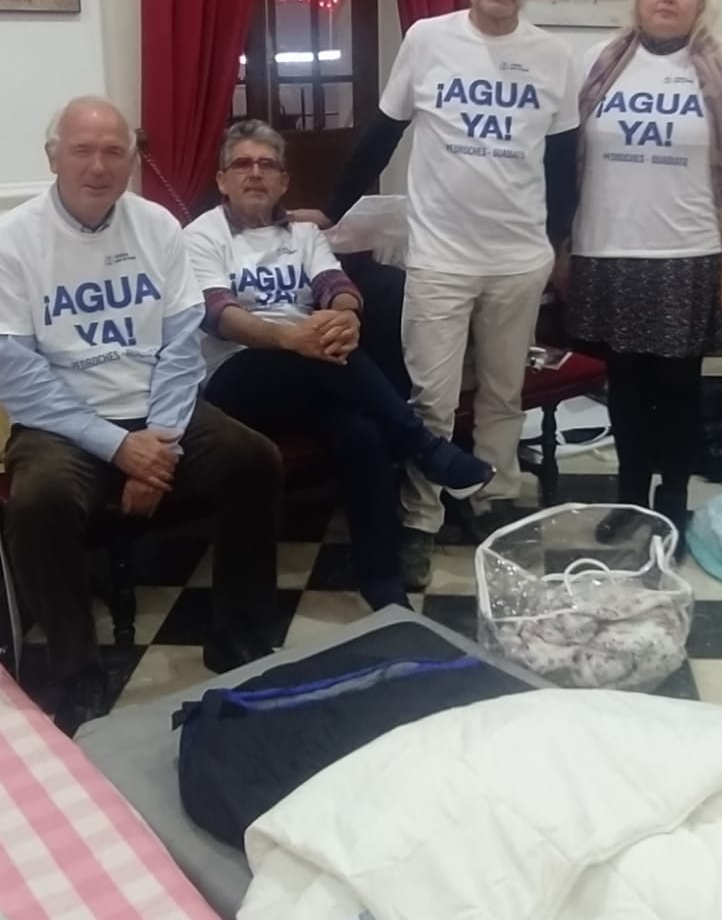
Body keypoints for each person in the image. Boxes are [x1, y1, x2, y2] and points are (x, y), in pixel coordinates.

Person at [0, 95, 281, 729]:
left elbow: (181, 340)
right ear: (53, 156)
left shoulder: (159, 228)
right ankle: (77, 671)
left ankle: (238, 636)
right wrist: (119, 449)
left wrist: (159, 443)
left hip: (158, 408)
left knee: (254, 460)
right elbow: (17, 374)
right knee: (39, 503)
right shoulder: (10, 240)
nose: (98, 166)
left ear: (132, 159)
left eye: (115, 151)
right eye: (82, 150)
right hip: (60, 422)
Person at [293, 0, 580, 588]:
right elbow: (382, 135)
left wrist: (555, 243)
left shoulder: (555, 57)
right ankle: (421, 520)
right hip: (440, 257)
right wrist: (333, 207)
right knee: (431, 400)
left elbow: (565, 163)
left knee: (505, 395)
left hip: (518, 260)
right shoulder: (428, 41)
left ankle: (492, 503)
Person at [184, 120, 493, 609]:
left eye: (268, 165)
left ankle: (381, 581)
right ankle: (423, 444)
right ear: (222, 179)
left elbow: (336, 285)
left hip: (313, 371)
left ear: (284, 181)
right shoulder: (200, 236)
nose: (255, 174)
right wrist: (291, 335)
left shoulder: (304, 232)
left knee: (362, 433)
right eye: (242, 164)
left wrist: (346, 317)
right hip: (235, 378)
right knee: (315, 360)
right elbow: (219, 315)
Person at [566, 0, 722, 530]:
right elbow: (561, 163)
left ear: (700, 5)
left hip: (687, 256)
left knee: (677, 394)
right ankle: (630, 501)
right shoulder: (597, 65)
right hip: (607, 252)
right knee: (626, 393)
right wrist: (560, 247)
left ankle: (674, 504)